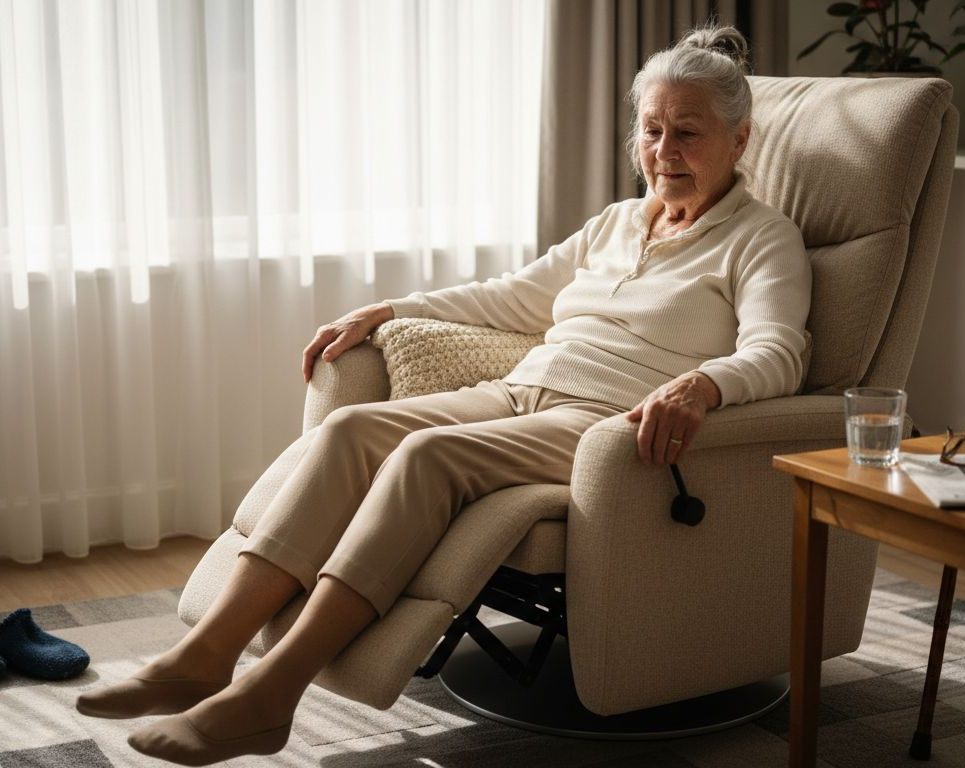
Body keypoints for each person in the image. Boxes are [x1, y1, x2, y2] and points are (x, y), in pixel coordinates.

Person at [77, 24, 810, 765]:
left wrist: (702, 384)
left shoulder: (760, 238)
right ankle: (204, 656)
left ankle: (271, 695)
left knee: (428, 457)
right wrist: (392, 310)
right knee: (351, 432)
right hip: (522, 391)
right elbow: (511, 298)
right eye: (651, 130)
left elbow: (780, 352)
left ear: (740, 139)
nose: (664, 151)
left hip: (605, 428)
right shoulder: (617, 224)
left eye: (688, 132)